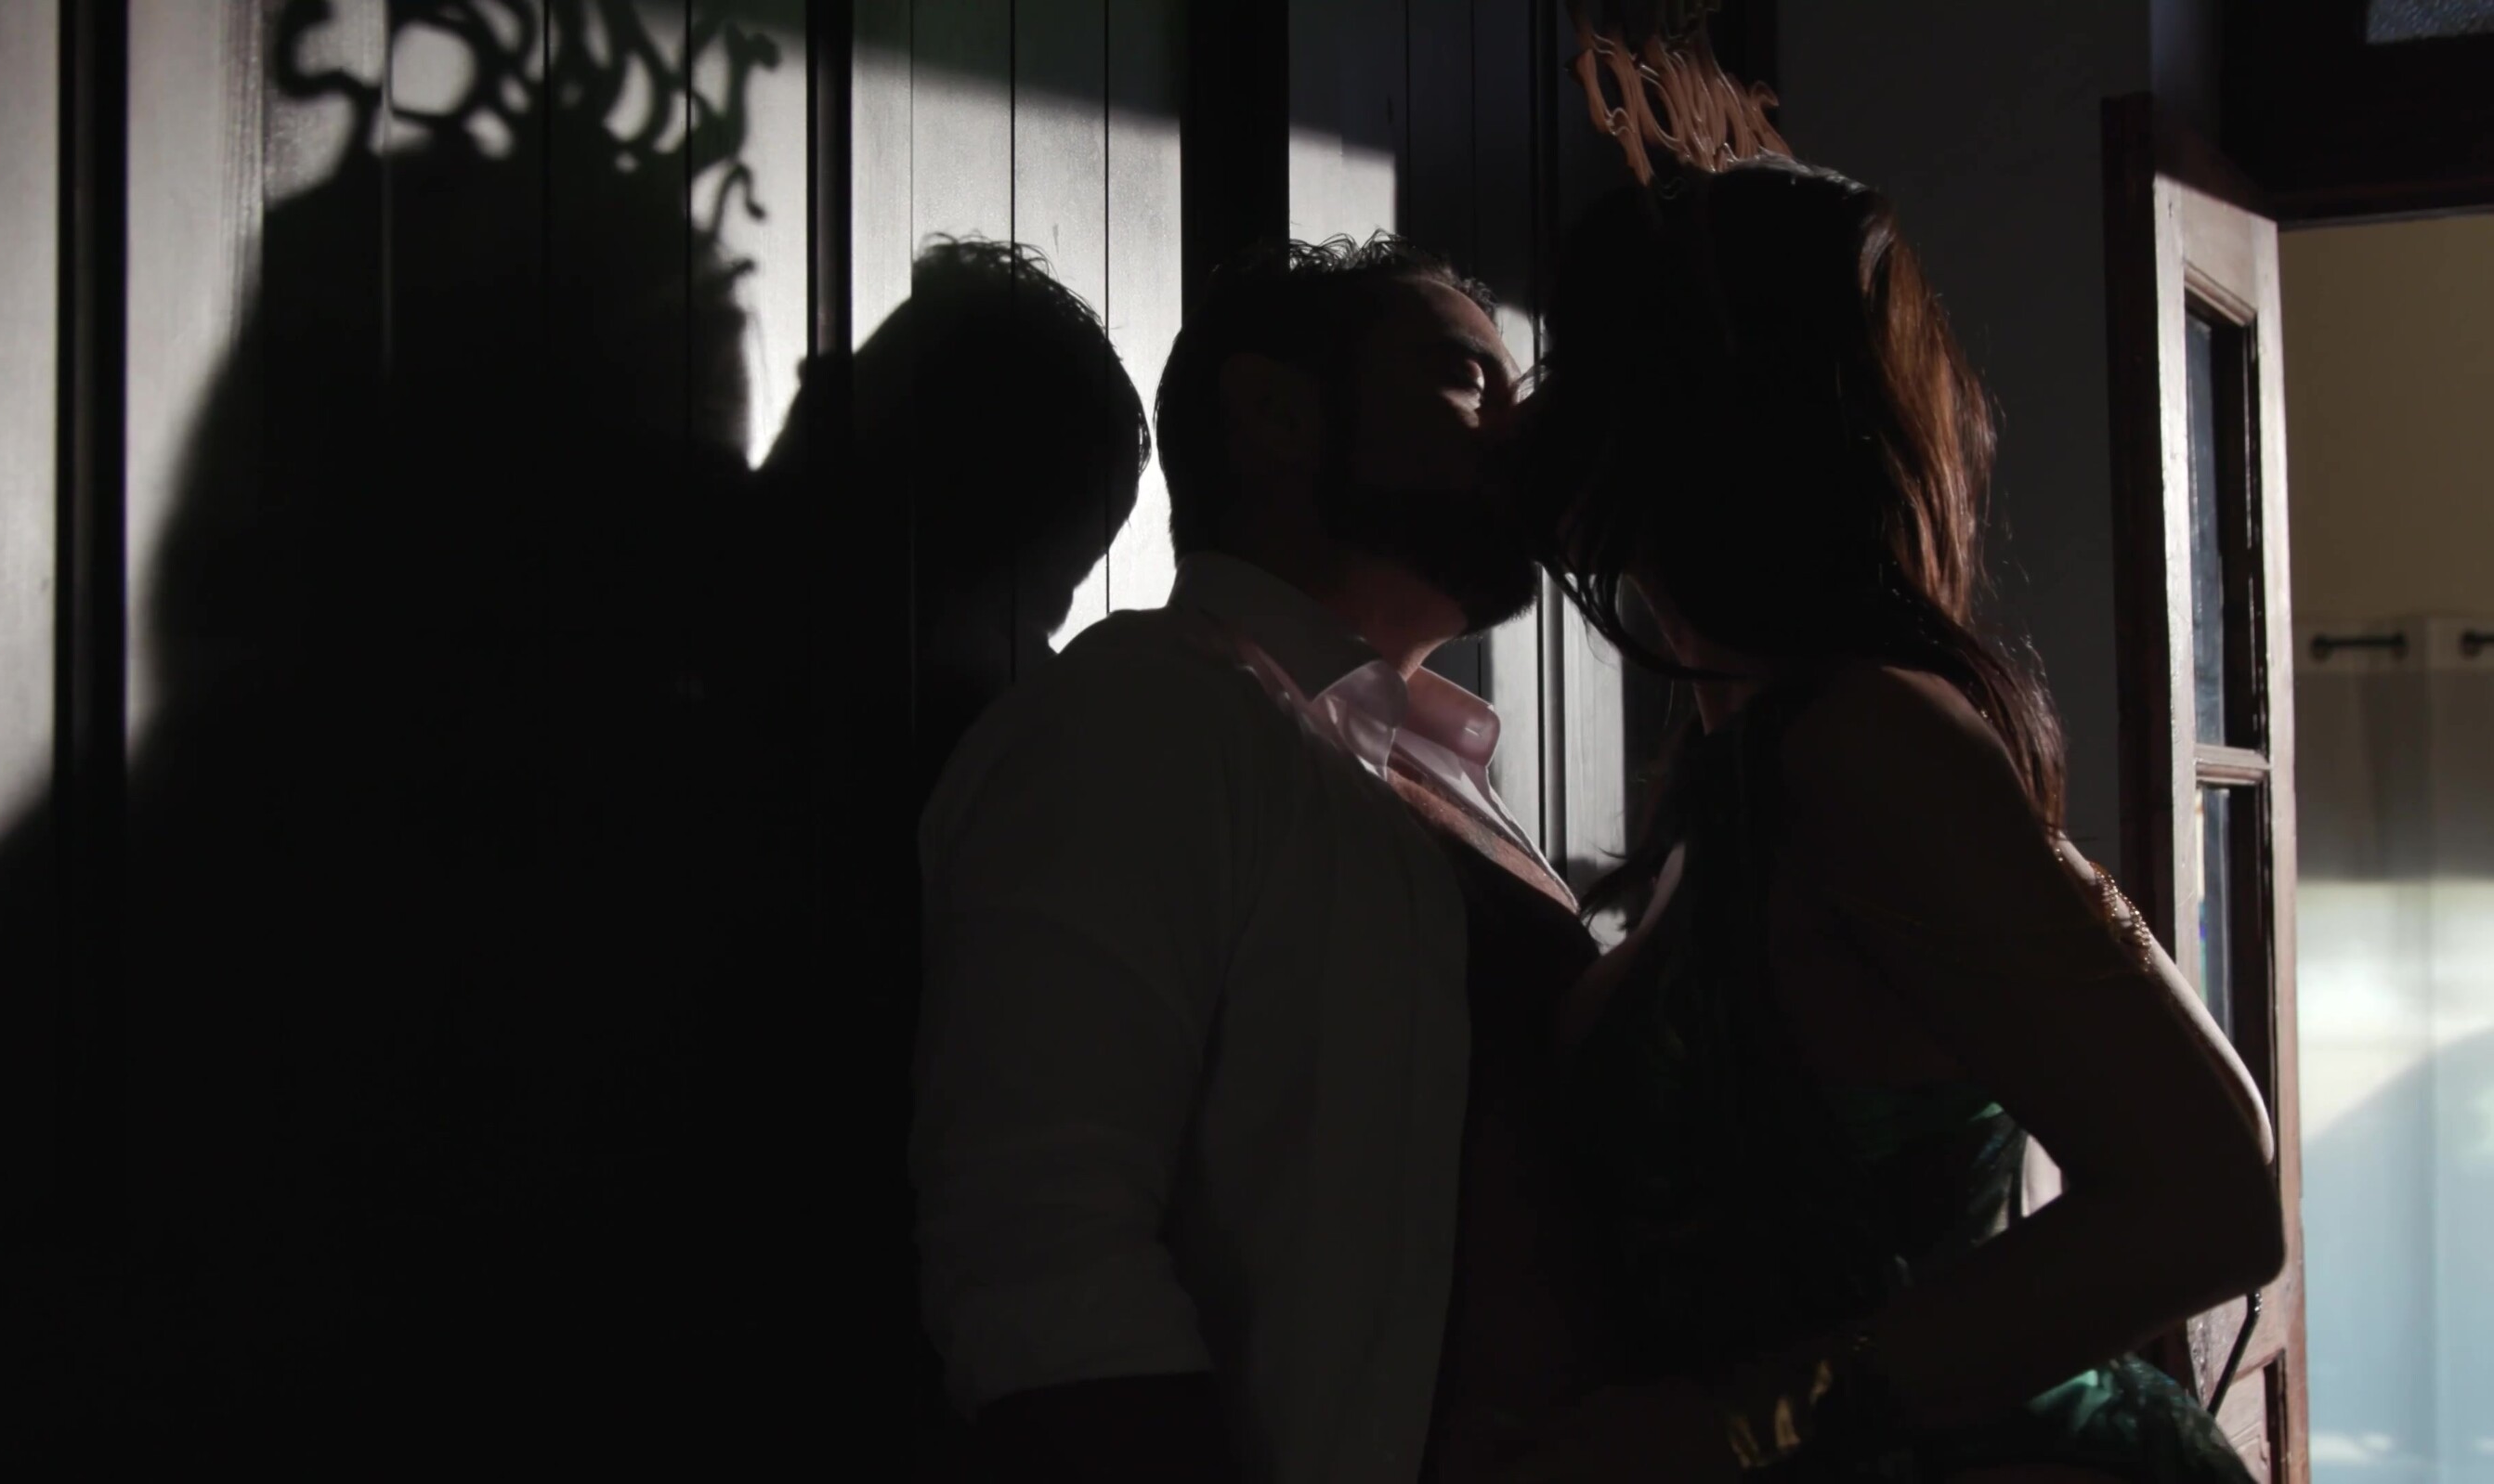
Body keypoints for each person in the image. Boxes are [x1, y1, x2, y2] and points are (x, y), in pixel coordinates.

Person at [1502, 156, 2287, 1481]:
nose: (1532, 411)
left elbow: (2213, 1198)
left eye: (1576, 364)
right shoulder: (1747, 751)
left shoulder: (1863, 734)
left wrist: (1741, 1424)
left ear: (1688, 402)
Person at [910, 234, 1599, 1483]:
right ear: (1278, 414)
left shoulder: (1441, 770)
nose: (1521, 436)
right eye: (1468, 381)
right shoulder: (1143, 721)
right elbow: (1044, 1247)